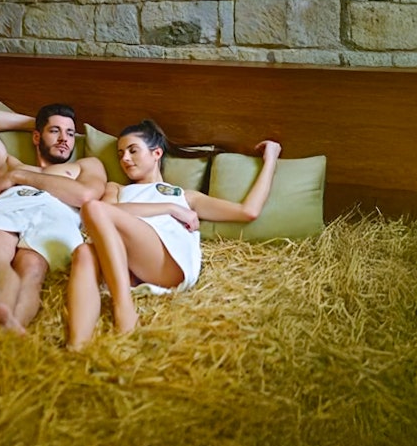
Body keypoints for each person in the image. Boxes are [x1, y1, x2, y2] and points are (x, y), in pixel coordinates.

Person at [65, 119, 281, 350]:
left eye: (133, 150)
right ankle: (77, 347)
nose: (125, 158)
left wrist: (271, 160)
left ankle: (124, 308)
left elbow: (247, 211)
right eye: (120, 154)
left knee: (94, 208)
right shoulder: (117, 189)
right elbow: (102, 215)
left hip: (167, 263)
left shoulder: (184, 196)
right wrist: (169, 208)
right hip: (125, 265)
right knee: (84, 251)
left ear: (156, 153)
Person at [0, 104, 108, 334]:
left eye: (71, 133)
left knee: (32, 266)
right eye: (55, 131)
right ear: (36, 136)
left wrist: (20, 176)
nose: (64, 139)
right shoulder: (10, 166)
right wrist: (37, 122)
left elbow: (85, 195)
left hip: (56, 214)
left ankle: (0, 326)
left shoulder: (85, 165)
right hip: (14, 202)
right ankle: (2, 321)